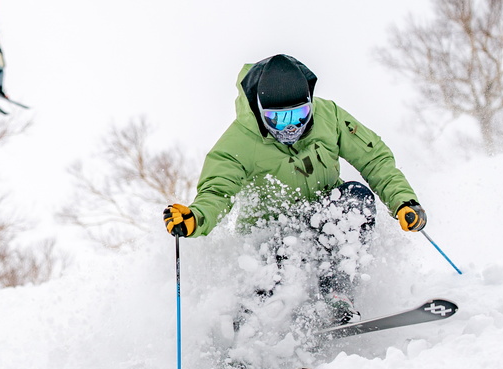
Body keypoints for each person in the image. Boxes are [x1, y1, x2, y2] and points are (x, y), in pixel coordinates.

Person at [163, 54, 427, 325]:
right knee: (280, 255)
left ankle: (337, 295)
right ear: (260, 110)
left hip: (326, 222)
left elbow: (373, 158)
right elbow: (218, 191)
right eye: (277, 119)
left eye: (299, 115)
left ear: (310, 104)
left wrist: (403, 201)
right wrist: (197, 217)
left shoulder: (329, 116)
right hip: (271, 237)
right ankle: (248, 336)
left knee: (355, 199)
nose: (290, 127)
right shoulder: (238, 142)